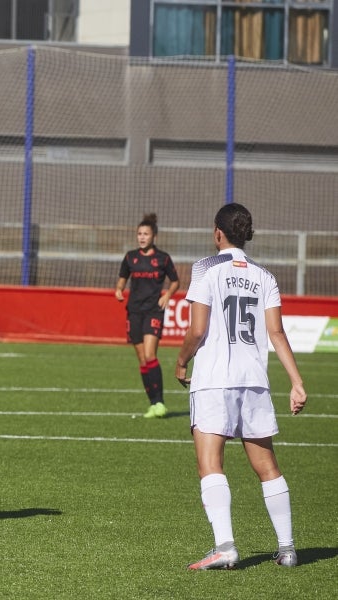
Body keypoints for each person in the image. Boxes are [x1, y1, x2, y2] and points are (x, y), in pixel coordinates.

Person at [175, 202, 306, 570]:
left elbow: (197, 330)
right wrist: (296, 382)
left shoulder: (205, 268)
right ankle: (288, 548)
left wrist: (182, 360)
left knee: (210, 463)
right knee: (267, 466)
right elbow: (276, 332)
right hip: (254, 381)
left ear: (218, 232)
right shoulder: (265, 276)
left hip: (214, 380)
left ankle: (226, 546)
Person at [115, 213, 180, 418]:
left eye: (146, 234)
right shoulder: (130, 257)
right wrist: (119, 290)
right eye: (139, 234)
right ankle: (152, 403)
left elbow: (175, 281)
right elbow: (122, 278)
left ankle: (160, 402)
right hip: (134, 312)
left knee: (151, 355)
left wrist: (167, 295)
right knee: (143, 360)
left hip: (153, 311)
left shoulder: (163, 258)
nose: (142, 237)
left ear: (154, 237)